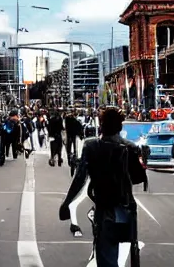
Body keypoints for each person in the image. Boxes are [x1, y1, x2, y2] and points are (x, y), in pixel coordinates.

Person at [59, 107, 148, 267]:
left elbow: (79, 178)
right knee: (128, 249)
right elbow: (138, 179)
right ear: (120, 127)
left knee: (106, 255)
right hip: (127, 209)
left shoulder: (91, 146)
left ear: (101, 125)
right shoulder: (130, 147)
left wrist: (67, 202)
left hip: (105, 208)